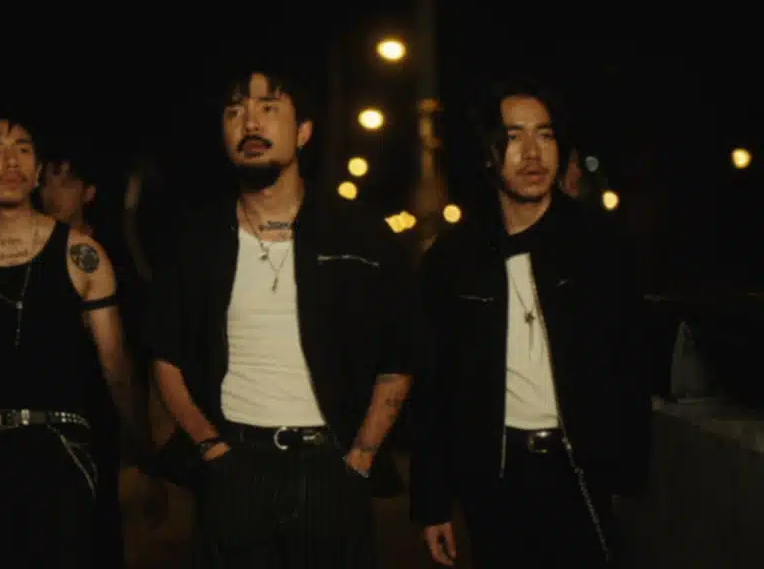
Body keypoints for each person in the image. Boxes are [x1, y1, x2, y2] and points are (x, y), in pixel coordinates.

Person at [148, 67, 415, 568]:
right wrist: (211, 449)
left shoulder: (359, 233)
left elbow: (398, 354)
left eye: (268, 108)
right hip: (234, 463)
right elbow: (166, 355)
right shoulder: (197, 238)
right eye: (235, 112)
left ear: (304, 131)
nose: (250, 123)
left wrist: (361, 455)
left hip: (331, 464)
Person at [410, 78, 650, 568]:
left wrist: (625, 475)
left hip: (581, 472)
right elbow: (434, 386)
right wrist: (431, 502)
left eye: (545, 134)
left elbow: (632, 362)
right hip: (494, 478)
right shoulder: (454, 259)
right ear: (488, 154)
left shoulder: (600, 246)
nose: (532, 153)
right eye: (513, 137)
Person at [0, 114, 147, 567]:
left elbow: (115, 362)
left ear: (36, 172)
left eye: (23, 149)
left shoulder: (82, 255)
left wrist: (141, 445)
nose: (11, 160)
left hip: (62, 452)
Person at [39, 156, 168, 567]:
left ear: (88, 193)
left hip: (96, 415)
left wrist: (142, 441)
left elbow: (132, 350)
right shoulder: (25, 254)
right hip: (38, 422)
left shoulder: (110, 259)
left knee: (98, 528)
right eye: (46, 183)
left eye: (65, 183)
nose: (52, 194)